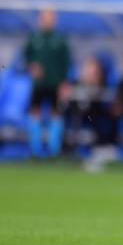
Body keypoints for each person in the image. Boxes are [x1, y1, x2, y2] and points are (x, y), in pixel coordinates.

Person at [24, 9, 71, 158]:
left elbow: (66, 63)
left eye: (50, 18)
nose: (47, 20)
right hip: (38, 85)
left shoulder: (60, 40)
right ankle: (35, 149)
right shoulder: (34, 38)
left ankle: (54, 149)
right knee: (35, 113)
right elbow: (26, 58)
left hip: (55, 84)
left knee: (56, 114)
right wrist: (31, 67)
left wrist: (64, 84)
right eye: (45, 17)